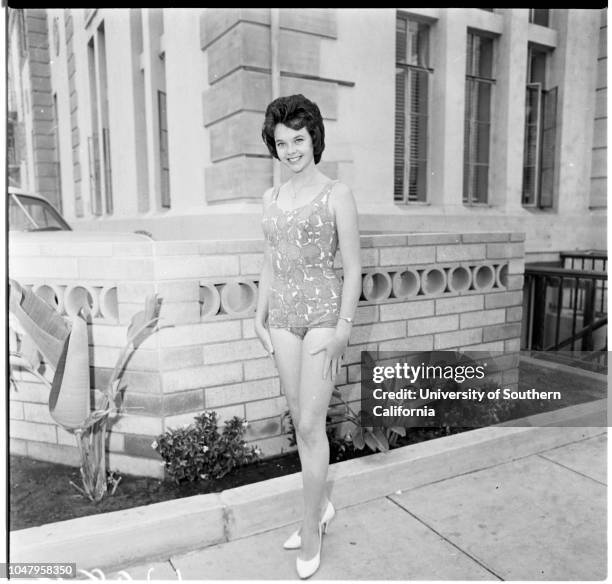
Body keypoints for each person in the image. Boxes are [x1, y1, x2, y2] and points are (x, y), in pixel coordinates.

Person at [255, 94, 362, 579]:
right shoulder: (269, 200)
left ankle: (312, 523)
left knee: (312, 424)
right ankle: (320, 506)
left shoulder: (337, 193)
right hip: (282, 320)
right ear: (274, 148)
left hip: (322, 316)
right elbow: (270, 259)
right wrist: (259, 314)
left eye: (298, 139)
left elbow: (355, 268)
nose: (291, 150)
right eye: (282, 142)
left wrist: (343, 329)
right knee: (299, 421)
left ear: (313, 138)